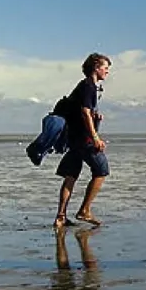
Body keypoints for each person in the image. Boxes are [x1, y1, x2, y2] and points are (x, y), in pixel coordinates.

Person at [54, 52, 111, 228]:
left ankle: (60, 217)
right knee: (102, 170)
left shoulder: (84, 86)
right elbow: (85, 112)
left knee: (71, 175)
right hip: (84, 139)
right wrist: (95, 137)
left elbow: (85, 111)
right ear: (96, 67)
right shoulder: (89, 86)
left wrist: (95, 116)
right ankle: (85, 210)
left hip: (73, 138)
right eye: (105, 68)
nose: (107, 72)